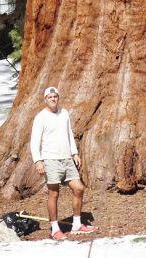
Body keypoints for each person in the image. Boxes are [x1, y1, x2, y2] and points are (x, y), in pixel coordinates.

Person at [30, 86, 96, 240]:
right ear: (45, 99)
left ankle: (77, 224)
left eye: (55, 96)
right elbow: (34, 142)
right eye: (50, 97)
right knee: (54, 193)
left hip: (67, 159)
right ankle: (54, 229)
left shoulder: (64, 113)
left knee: (79, 188)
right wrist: (38, 161)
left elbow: (69, 135)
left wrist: (74, 153)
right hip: (51, 160)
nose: (53, 99)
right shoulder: (41, 117)